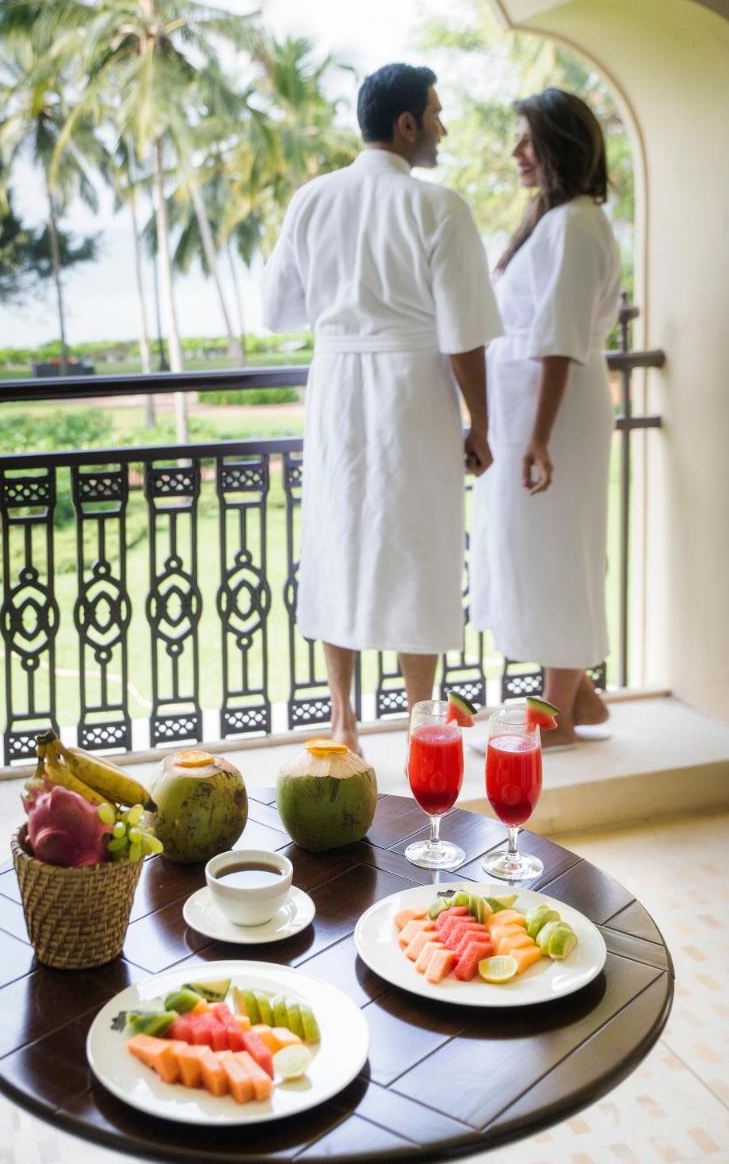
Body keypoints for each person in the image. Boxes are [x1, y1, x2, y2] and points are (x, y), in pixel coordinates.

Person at [263, 63, 503, 753]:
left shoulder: (312, 199)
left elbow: (278, 310)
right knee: (418, 546)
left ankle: (342, 722)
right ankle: (417, 718)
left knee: (336, 538)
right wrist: (480, 424)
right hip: (412, 391)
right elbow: (463, 336)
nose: (442, 126)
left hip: (336, 386)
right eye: (434, 113)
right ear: (405, 125)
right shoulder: (438, 206)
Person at [469, 88, 622, 748]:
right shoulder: (555, 221)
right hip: (528, 415)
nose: (516, 152)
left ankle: (556, 714)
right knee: (530, 549)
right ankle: (577, 695)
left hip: (550, 417)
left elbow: (557, 336)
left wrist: (534, 436)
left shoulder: (574, 224)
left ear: (563, 145)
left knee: (557, 552)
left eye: (528, 140)